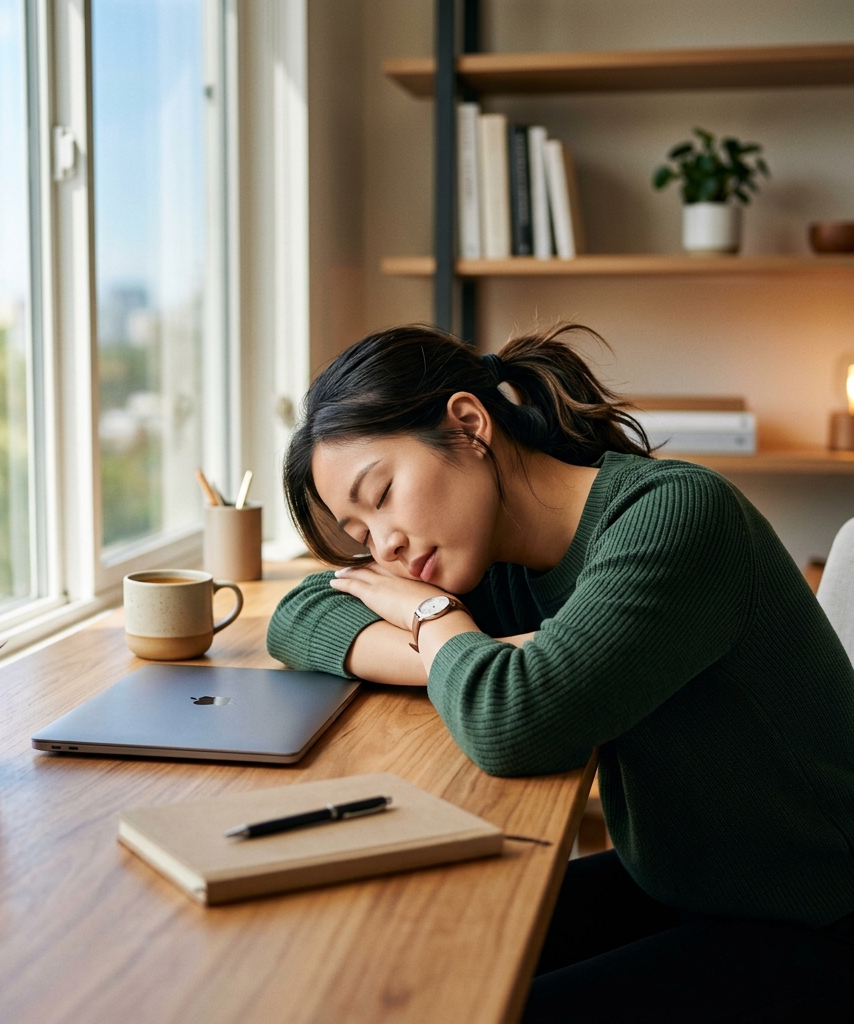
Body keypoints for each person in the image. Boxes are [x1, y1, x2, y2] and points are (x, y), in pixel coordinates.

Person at [265, 322, 854, 1022]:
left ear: (468, 425)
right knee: (393, 968)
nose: (384, 546)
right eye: (360, 533)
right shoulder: (491, 557)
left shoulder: (676, 514)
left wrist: (430, 616)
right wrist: (471, 648)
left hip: (816, 916)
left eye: (384, 492)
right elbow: (301, 612)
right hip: (685, 879)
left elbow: (515, 722)